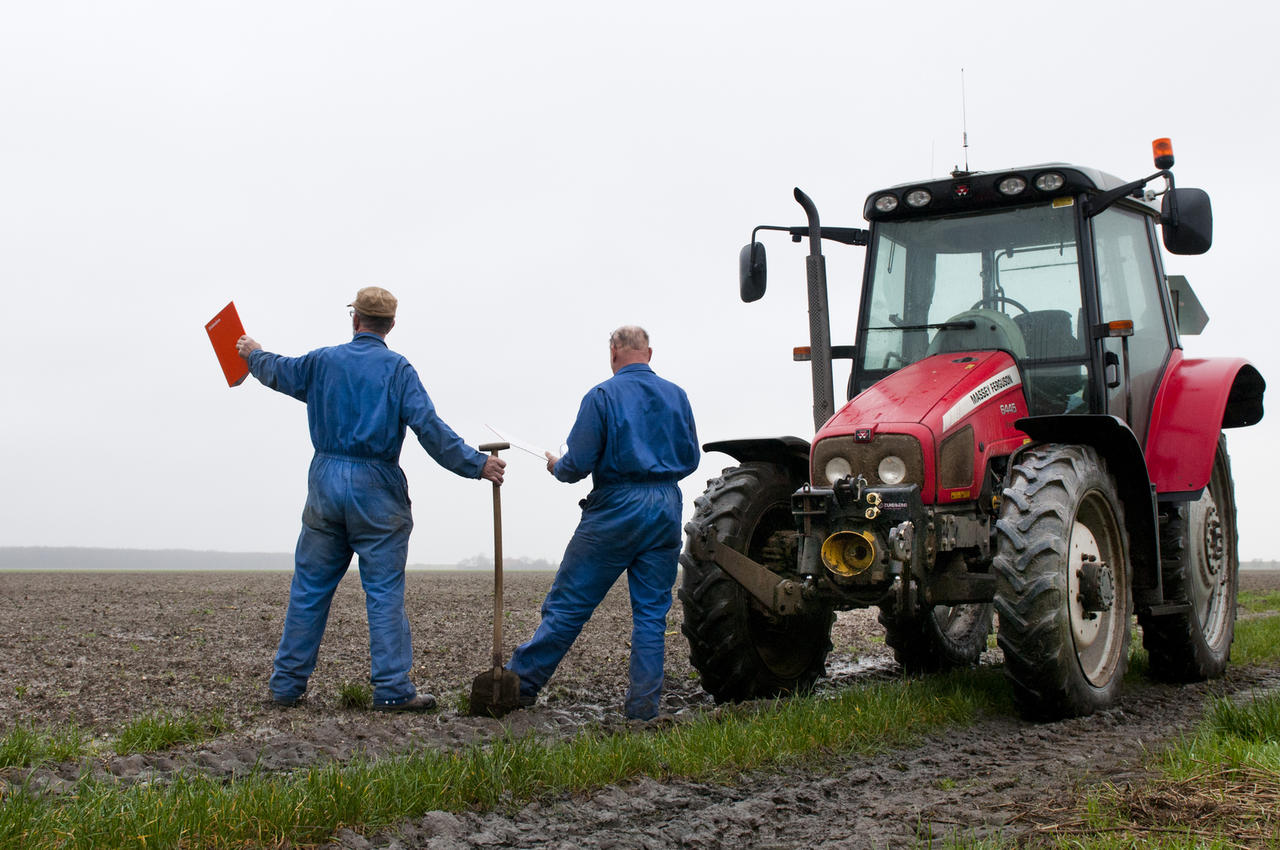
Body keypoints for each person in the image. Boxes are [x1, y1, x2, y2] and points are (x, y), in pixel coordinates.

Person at [236, 287, 505, 712]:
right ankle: (393, 691)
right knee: (383, 592)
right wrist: (476, 464)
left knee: (309, 589)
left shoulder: (323, 361)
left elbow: (278, 371)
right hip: (377, 488)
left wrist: (253, 353)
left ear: (354, 319)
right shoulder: (398, 370)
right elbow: (430, 429)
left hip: (325, 483)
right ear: (391, 325)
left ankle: (286, 688)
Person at [506, 326, 699, 721]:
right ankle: (643, 709)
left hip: (615, 507)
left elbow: (575, 465)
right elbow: (691, 457)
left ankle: (519, 687)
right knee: (650, 615)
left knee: (569, 606)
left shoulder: (602, 396)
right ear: (650, 352)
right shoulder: (677, 395)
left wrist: (556, 466)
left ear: (613, 351)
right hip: (665, 505)